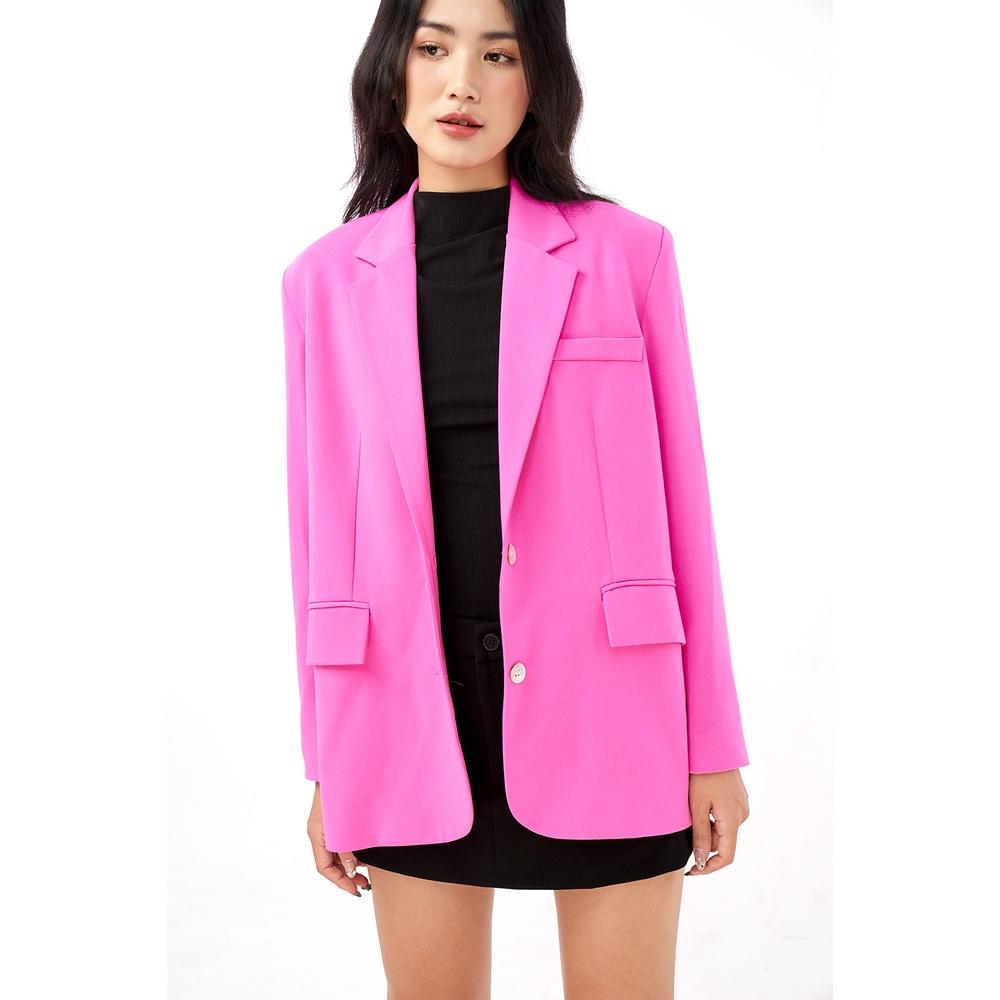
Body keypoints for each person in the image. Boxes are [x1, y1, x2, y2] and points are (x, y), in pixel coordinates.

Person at [280, 1, 751, 996]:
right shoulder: (321, 281)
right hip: (405, 712)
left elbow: (686, 513)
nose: (463, 82)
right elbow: (315, 533)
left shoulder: (627, 255)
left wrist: (713, 746)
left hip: (609, 704)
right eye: (433, 47)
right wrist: (329, 760)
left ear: (538, 83)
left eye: (499, 54)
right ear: (391, 68)